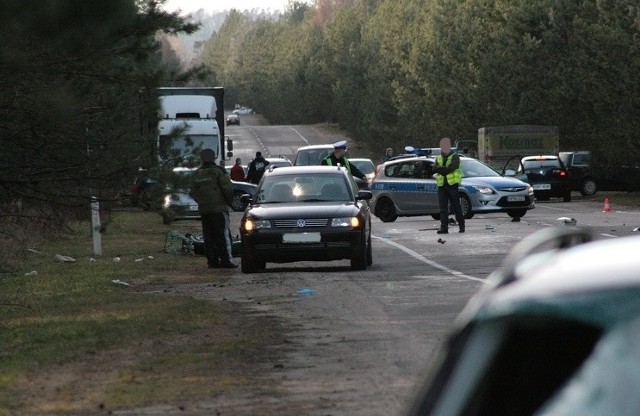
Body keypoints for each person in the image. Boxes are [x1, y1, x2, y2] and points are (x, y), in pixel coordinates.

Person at [190, 148, 238, 268]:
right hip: (219, 209)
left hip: (204, 210)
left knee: (209, 236)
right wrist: (229, 203)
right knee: (223, 235)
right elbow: (227, 189)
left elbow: (192, 192)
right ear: (213, 157)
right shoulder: (219, 171)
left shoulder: (196, 173)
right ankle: (227, 261)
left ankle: (212, 261)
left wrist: (201, 201)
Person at [432, 137, 465, 234]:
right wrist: (442, 168)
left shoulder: (455, 156)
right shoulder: (438, 157)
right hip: (442, 186)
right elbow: (434, 169)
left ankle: (461, 225)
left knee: (456, 207)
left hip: (452, 185)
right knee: (443, 208)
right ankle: (444, 228)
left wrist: (440, 169)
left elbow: (450, 169)